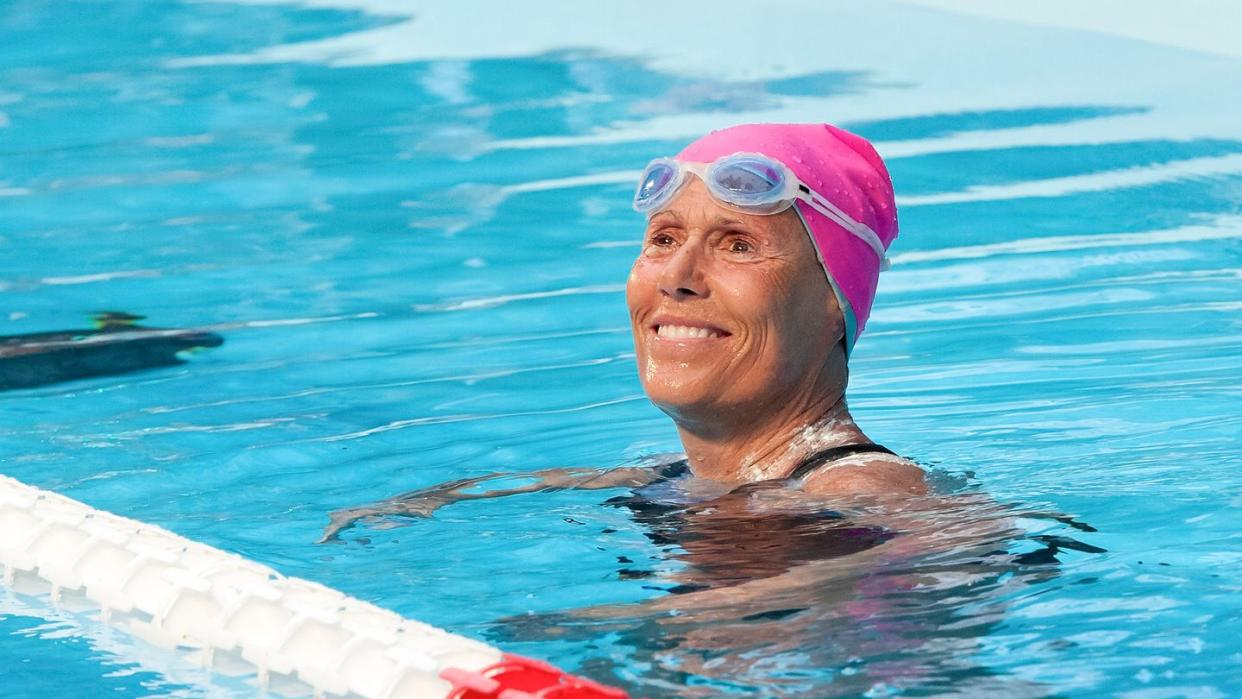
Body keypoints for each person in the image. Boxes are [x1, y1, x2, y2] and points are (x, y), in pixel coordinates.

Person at [322, 122, 925, 546]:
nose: (678, 279)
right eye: (663, 239)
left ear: (833, 305)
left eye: (738, 245)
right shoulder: (686, 478)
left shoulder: (868, 496)